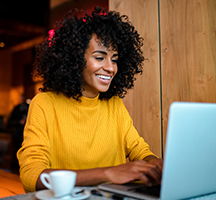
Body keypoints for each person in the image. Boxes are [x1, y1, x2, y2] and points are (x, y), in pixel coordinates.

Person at [17, 7, 163, 193]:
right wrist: (108, 173)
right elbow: (32, 176)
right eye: (100, 57)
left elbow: (139, 150)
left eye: (115, 59)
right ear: (75, 59)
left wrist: (156, 165)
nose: (110, 68)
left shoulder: (114, 104)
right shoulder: (45, 104)